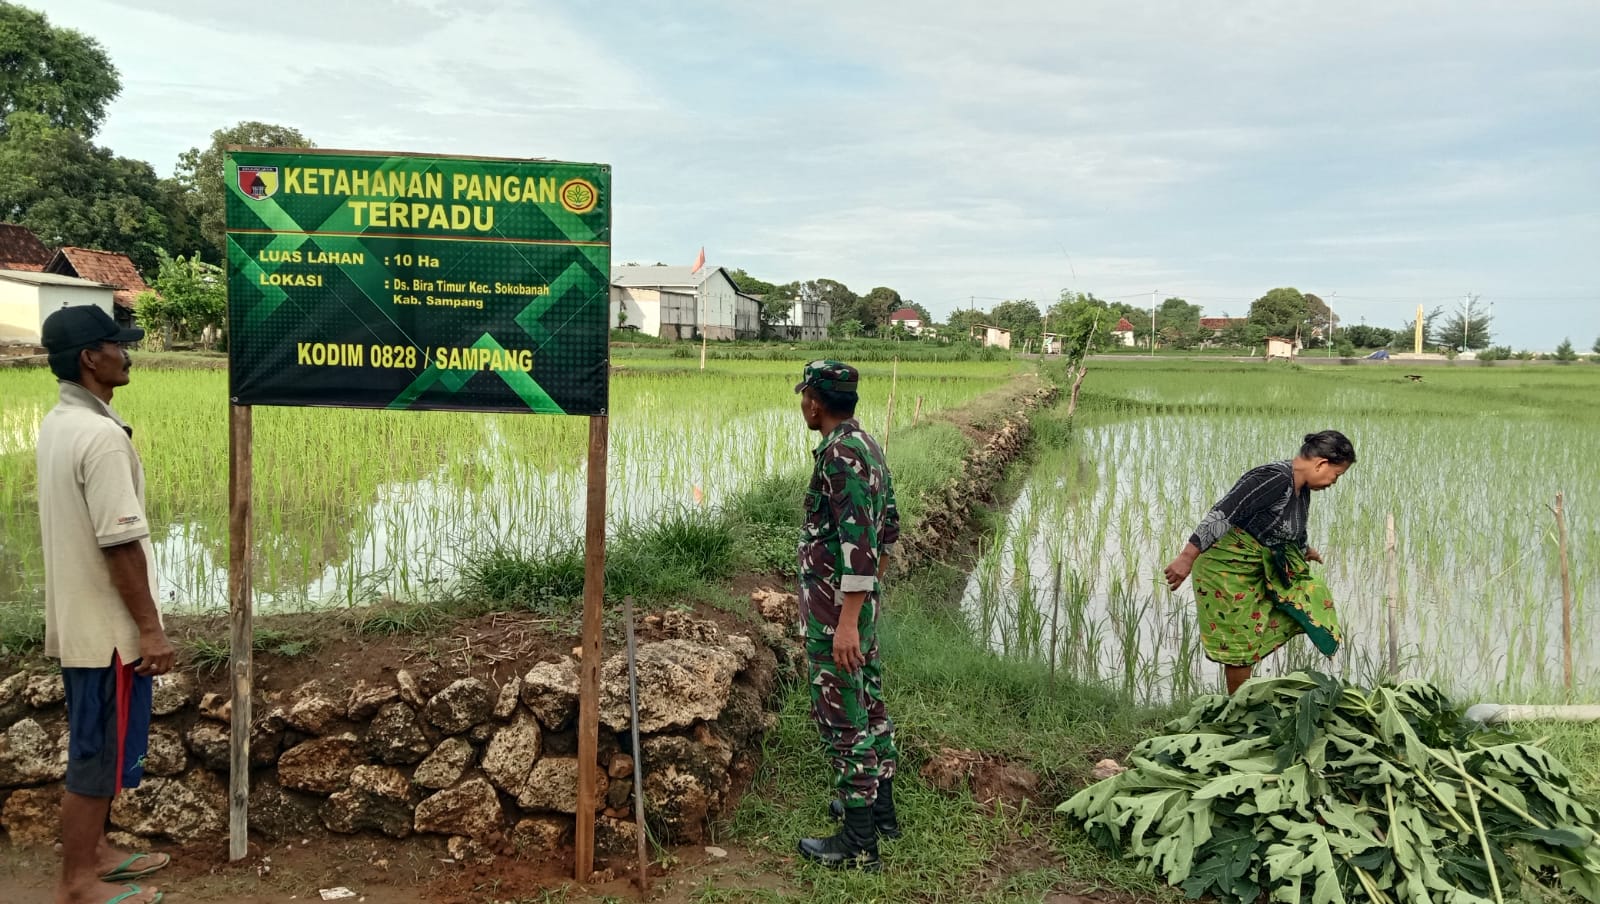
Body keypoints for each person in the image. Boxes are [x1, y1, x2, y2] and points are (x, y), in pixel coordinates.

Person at [37, 306, 175, 904]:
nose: (128, 353)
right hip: (107, 634)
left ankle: (95, 854)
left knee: (102, 745)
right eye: (117, 345)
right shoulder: (99, 438)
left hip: (82, 621)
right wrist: (151, 630)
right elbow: (119, 544)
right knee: (96, 755)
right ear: (92, 359)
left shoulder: (60, 423)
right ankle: (77, 882)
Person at [792, 361, 901, 872]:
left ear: (815, 401)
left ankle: (858, 841)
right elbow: (889, 529)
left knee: (843, 716)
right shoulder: (869, 446)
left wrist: (847, 621)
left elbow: (860, 543)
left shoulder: (840, 456)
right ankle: (880, 812)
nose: (802, 404)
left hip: (838, 612)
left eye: (804, 396)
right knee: (870, 701)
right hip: (860, 606)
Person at [1163, 430, 1356, 695]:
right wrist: (1186, 558)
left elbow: (1290, 528)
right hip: (1226, 569)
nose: (1334, 482)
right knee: (1239, 642)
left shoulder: (1302, 488)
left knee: (1305, 600)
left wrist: (1304, 549)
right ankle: (1239, 707)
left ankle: (1244, 698)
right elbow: (1225, 512)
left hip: (1256, 566)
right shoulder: (1274, 478)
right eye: (1337, 475)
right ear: (1321, 464)